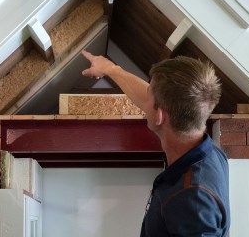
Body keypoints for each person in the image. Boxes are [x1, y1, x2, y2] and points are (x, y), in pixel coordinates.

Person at [81, 51, 230, 237]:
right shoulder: (211, 152)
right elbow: (154, 101)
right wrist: (111, 69)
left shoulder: (193, 201)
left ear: (160, 116)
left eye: (149, 96)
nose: (145, 103)